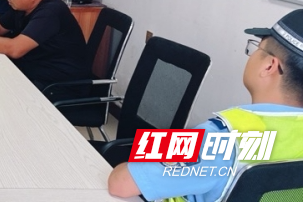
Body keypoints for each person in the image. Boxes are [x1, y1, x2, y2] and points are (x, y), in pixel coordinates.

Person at [108, 10, 303, 201]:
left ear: (269, 66)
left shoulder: (223, 135)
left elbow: (120, 183)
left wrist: (170, 146)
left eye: (257, 48)